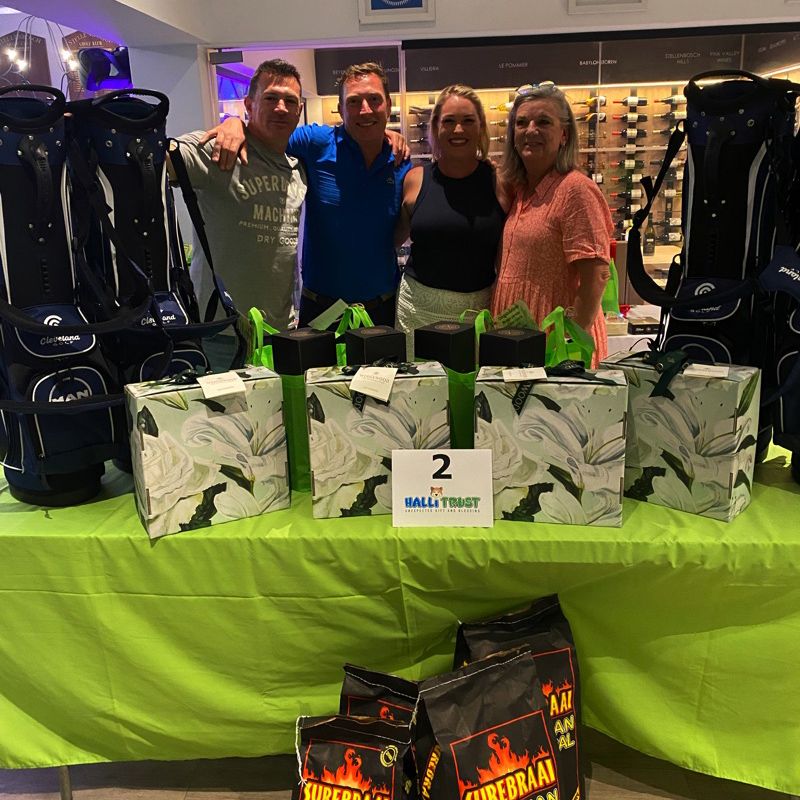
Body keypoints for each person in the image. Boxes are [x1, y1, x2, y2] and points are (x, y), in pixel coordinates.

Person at [209, 62, 411, 327]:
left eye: (374, 100)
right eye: (353, 102)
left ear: (388, 104)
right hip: (321, 310)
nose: (365, 110)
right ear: (340, 109)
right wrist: (235, 124)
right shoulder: (315, 143)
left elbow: (397, 233)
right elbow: (266, 135)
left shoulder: (400, 160)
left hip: (382, 308)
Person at [169, 59, 307, 367]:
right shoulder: (219, 150)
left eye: (290, 101)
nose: (281, 107)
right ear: (249, 104)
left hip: (280, 332)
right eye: (271, 98)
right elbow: (160, 160)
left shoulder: (298, 171)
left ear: (299, 110)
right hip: (221, 334)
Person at [491, 83, 612, 367]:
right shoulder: (521, 191)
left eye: (543, 122)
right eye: (521, 123)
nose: (530, 130)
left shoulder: (575, 190)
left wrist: (567, 345)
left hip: (555, 345)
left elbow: (596, 276)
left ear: (564, 134)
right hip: (519, 341)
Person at [394, 85, 509, 357]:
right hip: (416, 312)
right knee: (419, 383)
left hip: (477, 314)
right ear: (436, 128)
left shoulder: (501, 183)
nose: (458, 130)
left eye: (468, 121)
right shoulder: (415, 180)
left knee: (472, 383)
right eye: (449, 121)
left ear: (481, 127)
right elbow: (393, 239)